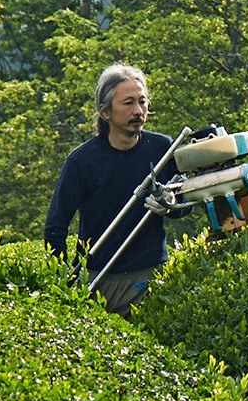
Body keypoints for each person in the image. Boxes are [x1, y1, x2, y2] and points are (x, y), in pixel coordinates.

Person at [44, 63, 177, 317]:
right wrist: (63, 281)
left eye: (142, 102)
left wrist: (170, 204)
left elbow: (184, 204)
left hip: (150, 275)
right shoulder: (81, 162)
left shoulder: (161, 148)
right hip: (98, 279)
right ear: (105, 112)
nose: (138, 111)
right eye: (128, 103)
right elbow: (55, 228)